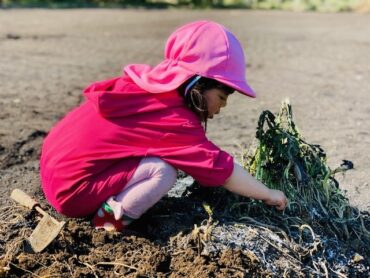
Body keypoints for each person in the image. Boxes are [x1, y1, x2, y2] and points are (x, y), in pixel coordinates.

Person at [40, 20, 288, 232]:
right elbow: (220, 169)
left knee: (152, 158)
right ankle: (105, 226)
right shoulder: (175, 119)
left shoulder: (142, 87)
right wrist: (267, 193)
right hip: (71, 193)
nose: (221, 107)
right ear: (197, 85)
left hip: (52, 171)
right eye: (222, 97)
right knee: (163, 171)